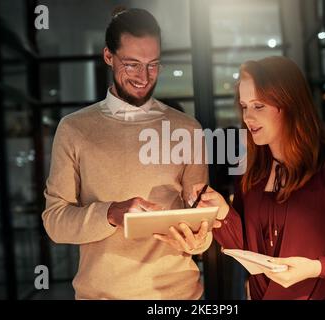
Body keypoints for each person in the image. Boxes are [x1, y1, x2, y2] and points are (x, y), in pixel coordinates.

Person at [42, 8, 212, 300]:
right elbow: (55, 222)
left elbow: (201, 220)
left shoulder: (187, 128)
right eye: (132, 65)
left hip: (179, 296)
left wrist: (198, 239)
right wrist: (110, 213)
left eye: (153, 65)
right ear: (108, 56)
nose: (144, 77)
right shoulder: (74, 129)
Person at [192, 56, 325, 300]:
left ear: (289, 104)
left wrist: (316, 268)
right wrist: (222, 212)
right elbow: (243, 248)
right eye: (244, 106)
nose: (247, 117)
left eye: (258, 106)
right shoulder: (251, 171)